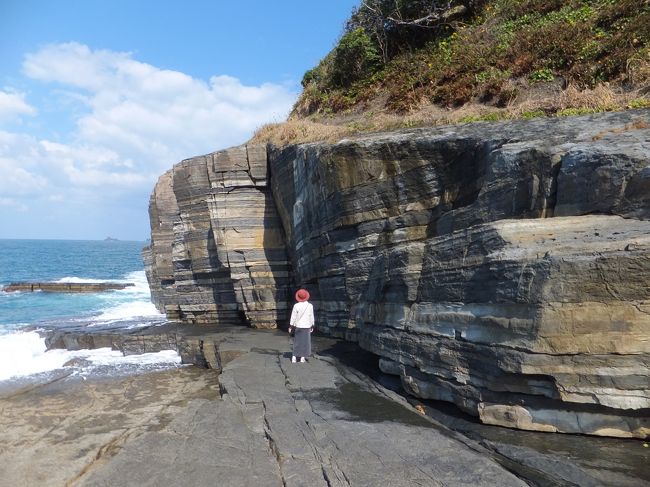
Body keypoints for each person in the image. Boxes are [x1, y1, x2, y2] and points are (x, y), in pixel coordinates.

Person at [288, 288, 314, 363]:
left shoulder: (296, 305)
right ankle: (302, 357)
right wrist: (312, 325)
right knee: (305, 342)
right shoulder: (310, 306)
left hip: (298, 326)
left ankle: (294, 357)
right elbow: (311, 316)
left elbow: (293, 317)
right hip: (307, 326)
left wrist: (290, 326)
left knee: (297, 342)